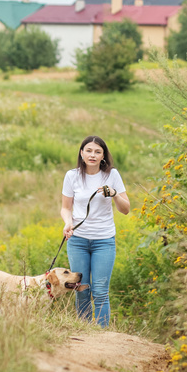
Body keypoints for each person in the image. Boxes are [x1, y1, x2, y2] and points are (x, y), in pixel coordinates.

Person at [60, 135, 130, 327]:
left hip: (103, 241)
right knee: (82, 289)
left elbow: (126, 209)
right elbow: (66, 208)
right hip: (78, 240)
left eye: (97, 152)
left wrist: (114, 194)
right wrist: (68, 223)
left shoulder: (112, 175)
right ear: (81, 153)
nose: (93, 155)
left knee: (100, 291)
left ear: (103, 156)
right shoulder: (72, 176)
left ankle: (101, 335)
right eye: (89, 151)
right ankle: (84, 333)